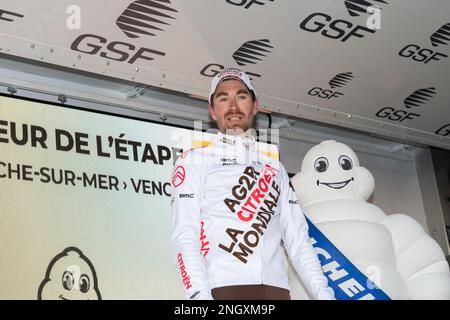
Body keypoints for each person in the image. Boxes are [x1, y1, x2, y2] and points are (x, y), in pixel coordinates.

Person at [170, 67, 334, 300]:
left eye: (242, 96)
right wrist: (200, 298)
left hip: (278, 290)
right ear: (212, 110)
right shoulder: (193, 162)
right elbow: (184, 238)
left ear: (255, 106)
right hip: (224, 289)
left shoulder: (275, 168)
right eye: (223, 98)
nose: (233, 106)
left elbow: (298, 241)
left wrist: (325, 296)